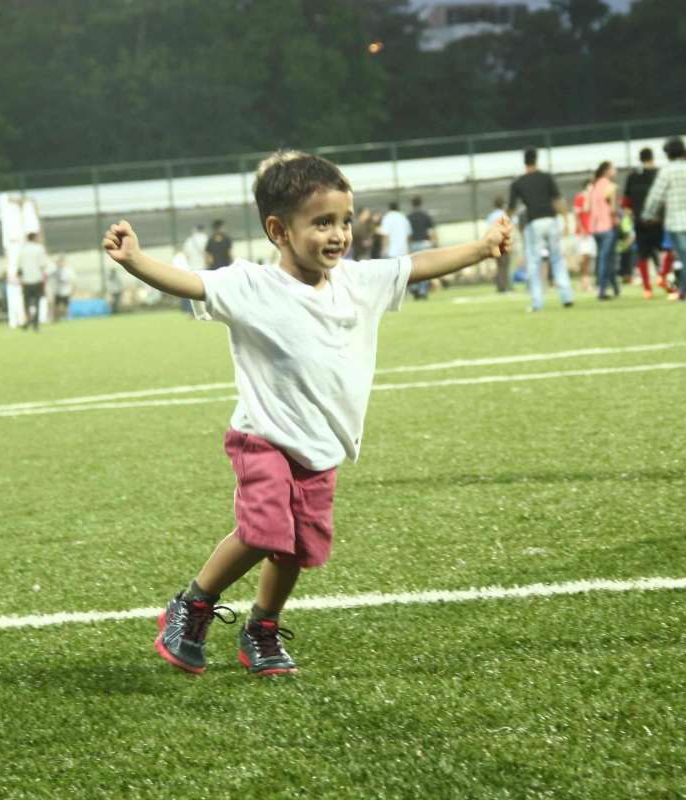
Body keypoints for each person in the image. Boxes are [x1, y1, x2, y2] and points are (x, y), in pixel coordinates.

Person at [102, 150, 512, 677]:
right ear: (279, 230)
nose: (339, 234)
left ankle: (262, 629)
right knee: (263, 529)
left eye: (343, 220)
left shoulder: (357, 282)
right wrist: (136, 262)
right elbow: (190, 284)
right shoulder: (252, 286)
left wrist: (481, 248)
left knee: (296, 549)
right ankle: (193, 603)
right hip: (264, 438)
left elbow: (416, 265)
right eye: (322, 223)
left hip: (321, 449)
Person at [642, 136, 686, 301]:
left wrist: (648, 214)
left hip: (675, 220)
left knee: (684, 256)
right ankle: (683, 292)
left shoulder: (666, 171)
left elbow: (655, 196)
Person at [509, 147, 573, 311]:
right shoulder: (546, 178)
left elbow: (511, 208)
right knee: (557, 258)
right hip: (551, 220)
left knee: (533, 262)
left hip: (533, 222)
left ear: (524, 162)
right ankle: (566, 296)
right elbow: (558, 199)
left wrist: (505, 226)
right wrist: (566, 219)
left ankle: (537, 302)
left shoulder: (519, 182)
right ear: (536, 160)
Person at [624, 147, 662, 299]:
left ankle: (647, 288)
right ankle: (664, 278)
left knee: (642, 254)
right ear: (652, 157)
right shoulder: (658, 174)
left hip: (639, 220)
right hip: (657, 220)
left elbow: (626, 202)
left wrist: (633, 215)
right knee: (664, 250)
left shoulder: (632, 176)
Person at [590, 161, 620, 300]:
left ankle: (614, 287)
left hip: (595, 227)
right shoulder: (611, 187)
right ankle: (602, 290)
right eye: (613, 168)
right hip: (608, 226)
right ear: (606, 171)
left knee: (604, 258)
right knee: (607, 259)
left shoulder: (594, 187)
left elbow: (586, 208)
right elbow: (614, 210)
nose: (616, 170)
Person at [407, 197, 437, 299]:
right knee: (425, 267)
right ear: (421, 203)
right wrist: (434, 242)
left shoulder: (409, 217)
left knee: (414, 266)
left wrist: (408, 245)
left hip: (414, 243)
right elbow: (432, 230)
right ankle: (423, 289)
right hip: (425, 243)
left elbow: (408, 233)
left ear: (412, 204)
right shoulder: (425, 215)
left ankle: (414, 286)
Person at [18, 232, 48, 331]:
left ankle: (27, 319)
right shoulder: (39, 249)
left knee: (26, 303)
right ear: (34, 238)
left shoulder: (22, 250)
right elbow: (42, 264)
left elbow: (20, 267)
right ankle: (35, 323)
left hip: (26, 281)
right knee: (37, 303)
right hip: (37, 279)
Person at [572, 179, 595, 291]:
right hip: (583, 233)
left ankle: (586, 281)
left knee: (589, 258)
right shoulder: (581, 197)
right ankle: (583, 281)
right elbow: (576, 215)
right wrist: (582, 230)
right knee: (584, 257)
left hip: (591, 231)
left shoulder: (593, 199)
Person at [487, 196, 512, 293]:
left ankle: (500, 286)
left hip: (494, 242)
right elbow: (508, 229)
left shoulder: (491, 215)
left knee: (499, 265)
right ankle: (503, 288)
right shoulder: (504, 215)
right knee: (504, 265)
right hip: (503, 241)